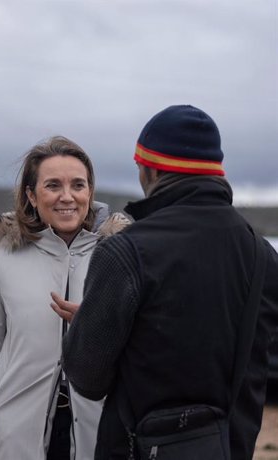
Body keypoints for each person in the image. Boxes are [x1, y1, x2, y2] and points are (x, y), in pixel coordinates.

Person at [59, 105, 278, 459]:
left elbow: (87, 378)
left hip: (139, 448)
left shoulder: (125, 252)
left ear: (150, 169)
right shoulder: (262, 254)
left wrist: (91, 322)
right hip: (227, 449)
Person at [0, 136, 129, 459]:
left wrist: (95, 327)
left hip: (99, 434)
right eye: (53, 185)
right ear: (31, 196)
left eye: (78, 185)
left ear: (90, 192)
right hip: (12, 434)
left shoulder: (120, 258)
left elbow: (142, 345)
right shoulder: (4, 257)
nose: (68, 197)